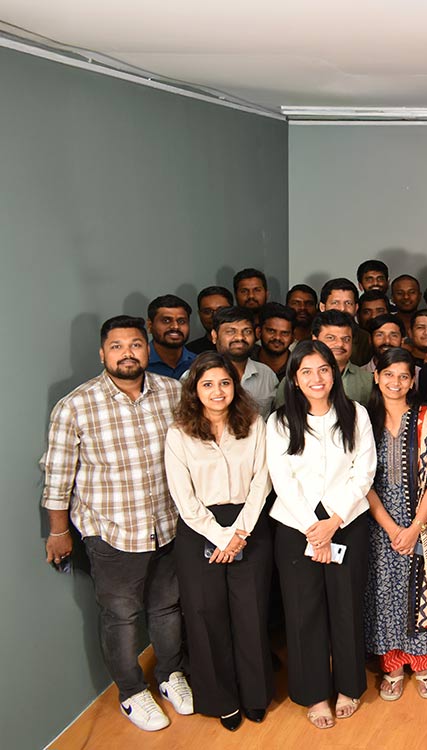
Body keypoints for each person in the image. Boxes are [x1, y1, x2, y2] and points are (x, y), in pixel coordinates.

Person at [41, 316, 191, 732]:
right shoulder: (75, 405)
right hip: (113, 532)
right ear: (102, 353)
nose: (127, 353)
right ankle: (131, 691)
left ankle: (170, 674)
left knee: (167, 607)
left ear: (147, 349)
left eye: (136, 345)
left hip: (169, 524)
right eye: (117, 346)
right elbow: (58, 476)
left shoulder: (172, 392)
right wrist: (58, 531)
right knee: (121, 616)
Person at [266, 340, 377, 729]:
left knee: (346, 607)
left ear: (334, 373)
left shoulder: (356, 413)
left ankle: (348, 687)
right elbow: (282, 479)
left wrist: (333, 521)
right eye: (307, 371)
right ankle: (314, 693)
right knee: (304, 612)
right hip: (296, 527)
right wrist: (314, 531)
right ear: (294, 379)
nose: (317, 378)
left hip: (347, 523)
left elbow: (363, 471)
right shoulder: (279, 421)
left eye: (324, 369)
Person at [165, 352, 273, 731]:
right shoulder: (179, 432)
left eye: (225, 383)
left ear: (235, 386)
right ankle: (222, 700)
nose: (217, 391)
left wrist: (239, 533)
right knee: (206, 616)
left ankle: (255, 694)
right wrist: (221, 536)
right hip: (199, 529)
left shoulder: (254, 423)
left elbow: (262, 480)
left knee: (251, 613)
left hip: (249, 524)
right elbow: (183, 497)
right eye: (208, 384)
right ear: (194, 389)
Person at [363, 347, 427, 703]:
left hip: (424, 520)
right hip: (378, 524)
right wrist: (393, 529)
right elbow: (360, 479)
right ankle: (391, 666)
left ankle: (423, 664)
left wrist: (415, 525)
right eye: (389, 374)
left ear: (412, 381)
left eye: (404, 376)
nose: (396, 382)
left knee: (423, 591)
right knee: (382, 593)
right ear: (377, 376)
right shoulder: (363, 421)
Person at [272, 311, 374, 408]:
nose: (339, 344)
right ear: (315, 339)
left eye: (346, 339)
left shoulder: (367, 380)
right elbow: (280, 416)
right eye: (331, 338)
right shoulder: (295, 379)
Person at [205, 306, 278, 416]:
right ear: (214, 336)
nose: (240, 337)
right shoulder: (197, 375)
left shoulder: (267, 376)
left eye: (247, 331)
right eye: (230, 331)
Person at [320, 277, 373, 367]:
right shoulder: (309, 339)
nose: (342, 309)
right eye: (335, 303)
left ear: (356, 308)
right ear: (322, 307)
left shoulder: (365, 339)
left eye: (348, 303)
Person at [147, 294, 196, 379]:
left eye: (181, 321)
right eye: (166, 321)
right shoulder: (138, 364)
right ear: (150, 325)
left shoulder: (198, 364)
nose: (175, 327)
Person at [255, 303, 296, 379]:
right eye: (271, 331)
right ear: (259, 332)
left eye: (284, 333)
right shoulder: (245, 363)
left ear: (293, 338)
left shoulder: (298, 367)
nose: (277, 337)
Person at [190, 285, 233, 354]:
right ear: (200, 314)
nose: (215, 316)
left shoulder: (246, 347)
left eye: (221, 310)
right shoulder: (190, 352)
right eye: (207, 311)